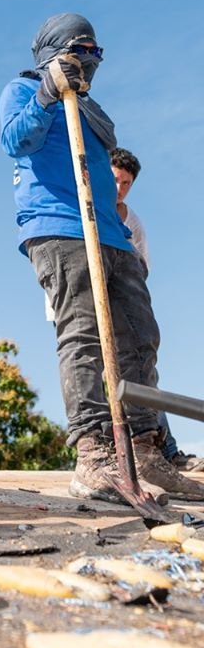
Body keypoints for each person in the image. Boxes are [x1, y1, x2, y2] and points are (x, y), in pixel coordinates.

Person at [0, 13, 204, 502]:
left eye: (96, 54)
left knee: (140, 336)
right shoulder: (22, 90)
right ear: (52, 53)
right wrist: (47, 93)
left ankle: (146, 451)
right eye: (79, 51)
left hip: (112, 232)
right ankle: (94, 454)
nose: (89, 61)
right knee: (85, 335)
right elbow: (15, 141)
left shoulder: (91, 110)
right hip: (60, 227)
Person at [111, 147, 203, 472]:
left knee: (142, 371)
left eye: (126, 183)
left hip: (124, 305)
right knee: (99, 378)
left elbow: (141, 269)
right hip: (88, 308)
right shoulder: (85, 209)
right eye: (115, 179)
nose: (119, 188)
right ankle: (111, 456)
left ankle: (167, 451)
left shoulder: (132, 222)